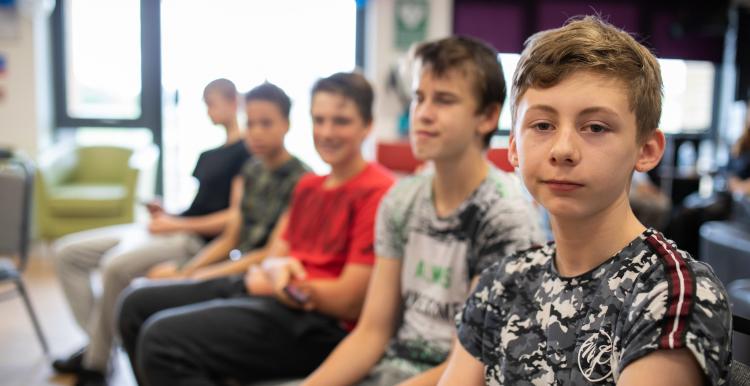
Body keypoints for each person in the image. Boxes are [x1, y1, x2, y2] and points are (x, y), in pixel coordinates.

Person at [439, 16, 732, 386]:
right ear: (514, 148)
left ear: (646, 150)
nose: (563, 150)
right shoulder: (503, 281)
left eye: (595, 127)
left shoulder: (672, 295)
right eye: (542, 125)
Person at [116, 72, 395, 385]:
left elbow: (349, 301)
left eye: (341, 121)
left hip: (318, 324)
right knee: (135, 304)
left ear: (367, 125)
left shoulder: (379, 192)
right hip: (271, 292)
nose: (327, 132)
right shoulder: (308, 186)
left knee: (161, 340)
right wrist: (274, 275)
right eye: (319, 120)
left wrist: (280, 283)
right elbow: (274, 256)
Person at [302, 36, 545, 386]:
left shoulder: (504, 216)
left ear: (488, 116)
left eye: (444, 100)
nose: (423, 113)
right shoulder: (402, 200)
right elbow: (372, 332)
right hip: (389, 372)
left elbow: (471, 368)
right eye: (419, 98)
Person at [52, 78, 251, 386]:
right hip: (171, 228)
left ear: (232, 102)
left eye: (211, 103)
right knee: (67, 253)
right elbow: (198, 206)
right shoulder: (210, 155)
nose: (208, 111)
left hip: (191, 240)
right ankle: (97, 344)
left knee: (114, 267)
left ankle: (95, 363)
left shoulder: (247, 155)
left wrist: (177, 224)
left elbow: (232, 220)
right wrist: (167, 213)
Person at [144, 82, 309, 282]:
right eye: (250, 124)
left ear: (286, 124)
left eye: (266, 123)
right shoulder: (252, 170)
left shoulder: (301, 179)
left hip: (258, 275)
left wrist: (204, 274)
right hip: (234, 262)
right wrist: (188, 270)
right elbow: (230, 238)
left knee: (144, 296)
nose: (256, 132)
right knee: (153, 279)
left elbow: (271, 253)